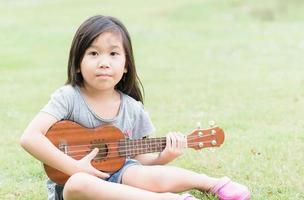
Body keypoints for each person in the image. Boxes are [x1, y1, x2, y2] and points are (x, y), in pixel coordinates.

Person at [20, 15, 250, 200]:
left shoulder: (132, 108)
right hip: (75, 187)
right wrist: (75, 167)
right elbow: (30, 137)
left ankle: (213, 184)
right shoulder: (68, 97)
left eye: (113, 53)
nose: (104, 62)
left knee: (141, 174)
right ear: (78, 64)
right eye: (93, 53)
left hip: (121, 175)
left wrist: (164, 156)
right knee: (81, 183)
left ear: (126, 64)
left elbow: (141, 159)